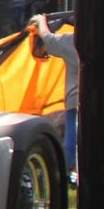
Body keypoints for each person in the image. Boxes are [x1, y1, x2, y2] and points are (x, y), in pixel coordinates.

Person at [36, 12, 79, 184]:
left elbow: (47, 39)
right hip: (96, 101)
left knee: (70, 146)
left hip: (74, 103)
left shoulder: (71, 41)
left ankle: (59, 177)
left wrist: (41, 21)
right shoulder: (103, 42)